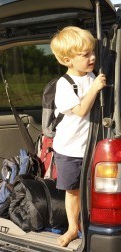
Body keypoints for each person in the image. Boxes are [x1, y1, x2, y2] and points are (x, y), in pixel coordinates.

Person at [50, 26, 106, 247]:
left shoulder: (91, 75)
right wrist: (94, 88)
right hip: (70, 150)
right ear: (67, 60)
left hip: (90, 147)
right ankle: (73, 228)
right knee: (73, 191)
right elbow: (81, 110)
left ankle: (87, 224)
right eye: (85, 55)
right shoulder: (64, 85)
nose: (92, 57)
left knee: (91, 189)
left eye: (92, 52)